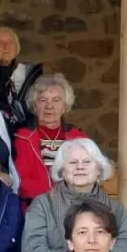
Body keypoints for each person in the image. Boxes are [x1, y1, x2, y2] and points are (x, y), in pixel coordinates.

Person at [22, 139, 127, 252]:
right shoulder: (42, 205)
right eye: (72, 162)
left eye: (87, 162)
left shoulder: (115, 209)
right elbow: (32, 251)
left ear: (99, 170)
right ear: (62, 171)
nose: (80, 167)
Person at [12, 74, 87, 203]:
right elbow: (21, 181)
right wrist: (54, 194)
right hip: (37, 206)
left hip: (75, 206)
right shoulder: (23, 138)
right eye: (42, 100)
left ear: (64, 107)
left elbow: (88, 174)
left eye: (56, 100)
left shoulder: (78, 138)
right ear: (34, 107)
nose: (49, 106)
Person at [0, 27, 43, 130]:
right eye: (0, 42)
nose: (6, 46)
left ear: (16, 48)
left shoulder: (30, 73)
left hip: (26, 130)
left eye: (10, 42)